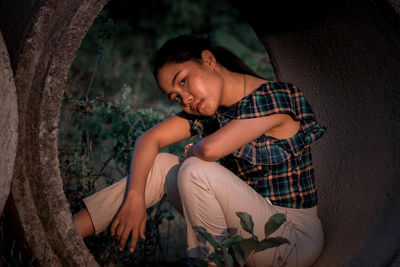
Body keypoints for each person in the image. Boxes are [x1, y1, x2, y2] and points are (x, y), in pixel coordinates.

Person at [73, 35, 326, 267]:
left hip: (291, 239)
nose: (185, 99)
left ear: (207, 60)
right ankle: (68, 231)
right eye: (175, 97)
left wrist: (195, 151)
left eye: (183, 81)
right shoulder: (212, 110)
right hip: (248, 232)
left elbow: (211, 148)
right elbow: (148, 139)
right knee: (162, 165)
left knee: (194, 169)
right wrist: (135, 197)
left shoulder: (277, 96)